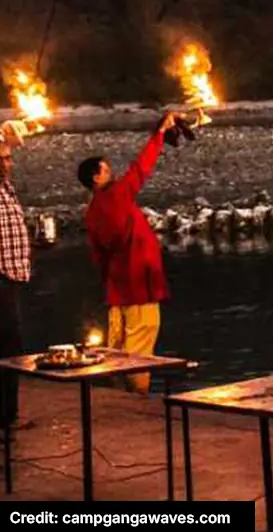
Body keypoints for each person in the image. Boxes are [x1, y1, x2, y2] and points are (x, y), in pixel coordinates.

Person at [78, 113, 184, 393]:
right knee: (139, 349)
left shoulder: (91, 213)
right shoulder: (117, 195)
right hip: (140, 284)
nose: (110, 170)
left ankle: (116, 395)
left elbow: (98, 256)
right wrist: (158, 134)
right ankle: (136, 401)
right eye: (105, 168)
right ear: (95, 177)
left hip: (117, 287)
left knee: (117, 345)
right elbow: (141, 167)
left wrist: (109, 285)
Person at [0, 120, 33, 436]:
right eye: (2, 159)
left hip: (10, 277)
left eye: (8, 158)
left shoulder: (5, 187)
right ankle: (2, 417)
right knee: (5, 348)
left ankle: (7, 414)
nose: (10, 163)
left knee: (11, 347)